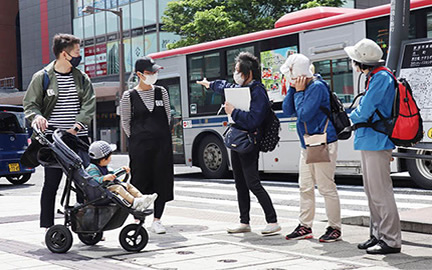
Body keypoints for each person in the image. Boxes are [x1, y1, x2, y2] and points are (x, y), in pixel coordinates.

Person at [197, 52, 281, 235]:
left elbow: (253, 120)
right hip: (237, 139)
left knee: (253, 183)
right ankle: (244, 222)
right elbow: (224, 86)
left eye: (237, 71)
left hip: (249, 141)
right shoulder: (240, 87)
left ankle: (272, 221)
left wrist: (233, 112)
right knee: (240, 183)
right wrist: (209, 84)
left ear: (248, 72)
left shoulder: (258, 90)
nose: (235, 74)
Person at [23, 33, 96, 229]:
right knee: (51, 184)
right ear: (65, 54)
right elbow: (30, 105)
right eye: (77, 52)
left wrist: (78, 126)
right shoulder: (42, 77)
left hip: (77, 137)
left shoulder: (81, 78)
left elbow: (89, 104)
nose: (80, 55)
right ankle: (48, 226)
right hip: (54, 141)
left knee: (84, 183)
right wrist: (37, 117)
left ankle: (86, 226)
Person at [345, 38, 401, 254]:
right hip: (370, 139)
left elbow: (366, 109)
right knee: (372, 192)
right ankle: (377, 235)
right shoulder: (375, 77)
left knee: (381, 193)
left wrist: (351, 116)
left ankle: (391, 240)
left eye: (353, 60)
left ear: (362, 62)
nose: (352, 64)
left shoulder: (381, 78)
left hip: (377, 140)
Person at [281, 53, 342, 243]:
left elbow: (304, 115)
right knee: (305, 186)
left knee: (326, 187)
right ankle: (305, 225)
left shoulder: (316, 87)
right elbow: (287, 111)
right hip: (307, 143)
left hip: (323, 142)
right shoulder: (300, 86)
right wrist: (293, 90)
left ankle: (334, 227)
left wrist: (298, 92)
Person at [120, 57, 174, 234]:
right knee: (140, 181)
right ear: (139, 74)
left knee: (162, 181)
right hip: (140, 147)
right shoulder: (129, 96)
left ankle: (157, 220)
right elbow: (126, 122)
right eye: (150, 72)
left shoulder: (161, 92)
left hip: (162, 146)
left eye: (155, 72)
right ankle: (138, 219)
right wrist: (137, 139)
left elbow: (167, 117)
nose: (154, 75)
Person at [85, 141, 158, 211]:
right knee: (118, 188)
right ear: (104, 159)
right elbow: (93, 180)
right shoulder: (92, 168)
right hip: (99, 193)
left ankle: (142, 198)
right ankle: (133, 202)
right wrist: (103, 178)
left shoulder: (103, 166)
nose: (111, 158)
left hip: (105, 189)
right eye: (110, 156)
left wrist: (121, 169)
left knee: (127, 185)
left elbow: (112, 175)